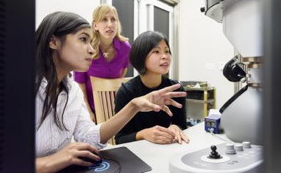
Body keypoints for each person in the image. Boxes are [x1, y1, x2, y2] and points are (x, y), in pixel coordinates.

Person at [35, 12, 186, 173]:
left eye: (167, 51)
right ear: (53, 41)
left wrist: (133, 106)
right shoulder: (18, 88)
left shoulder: (73, 92)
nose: (92, 50)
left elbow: (87, 137)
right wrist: (48, 162)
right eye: (83, 39)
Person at [114, 31, 190, 145]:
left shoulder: (176, 90)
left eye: (167, 51)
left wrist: (175, 127)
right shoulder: (126, 92)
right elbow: (120, 139)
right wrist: (144, 134)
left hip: (166, 149)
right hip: (138, 153)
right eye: (156, 51)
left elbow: (182, 126)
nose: (165, 56)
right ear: (141, 56)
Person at [74, 4, 131, 123]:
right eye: (104, 20)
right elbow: (80, 84)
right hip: (90, 107)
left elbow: (121, 76)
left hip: (115, 106)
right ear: (95, 25)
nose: (110, 24)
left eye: (113, 19)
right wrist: (88, 112)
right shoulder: (86, 49)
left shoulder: (125, 48)